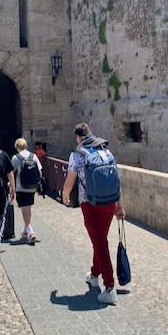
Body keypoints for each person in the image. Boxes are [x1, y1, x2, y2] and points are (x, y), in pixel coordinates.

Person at [62, 122, 125, 304]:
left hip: (89, 204)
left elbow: (70, 180)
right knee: (100, 240)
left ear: (79, 137)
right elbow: (116, 181)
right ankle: (94, 274)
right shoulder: (107, 152)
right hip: (109, 202)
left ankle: (110, 287)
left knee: (100, 242)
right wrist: (119, 206)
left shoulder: (77, 155)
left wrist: (65, 195)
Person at [11, 138, 43, 244]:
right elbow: (40, 171)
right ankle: (25, 229)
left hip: (21, 187)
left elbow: (11, 173)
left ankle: (30, 231)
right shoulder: (33, 156)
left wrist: (11, 186)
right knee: (28, 207)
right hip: (32, 187)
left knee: (24, 208)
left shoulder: (16, 158)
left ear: (16, 147)